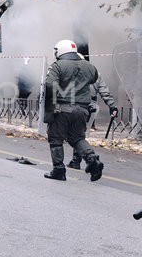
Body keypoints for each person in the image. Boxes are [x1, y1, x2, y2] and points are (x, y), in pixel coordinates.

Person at [40, 39, 106, 181]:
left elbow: (50, 85)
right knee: (77, 138)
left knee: (56, 139)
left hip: (62, 108)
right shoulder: (89, 66)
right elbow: (94, 80)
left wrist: (50, 108)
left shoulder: (57, 65)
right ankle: (92, 160)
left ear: (60, 51)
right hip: (82, 110)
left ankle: (58, 170)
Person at [67, 74, 119, 170]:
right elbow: (104, 91)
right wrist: (112, 106)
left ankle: (80, 159)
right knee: (80, 133)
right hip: (91, 107)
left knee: (75, 134)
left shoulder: (73, 70)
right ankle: (77, 159)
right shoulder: (95, 73)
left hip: (76, 105)